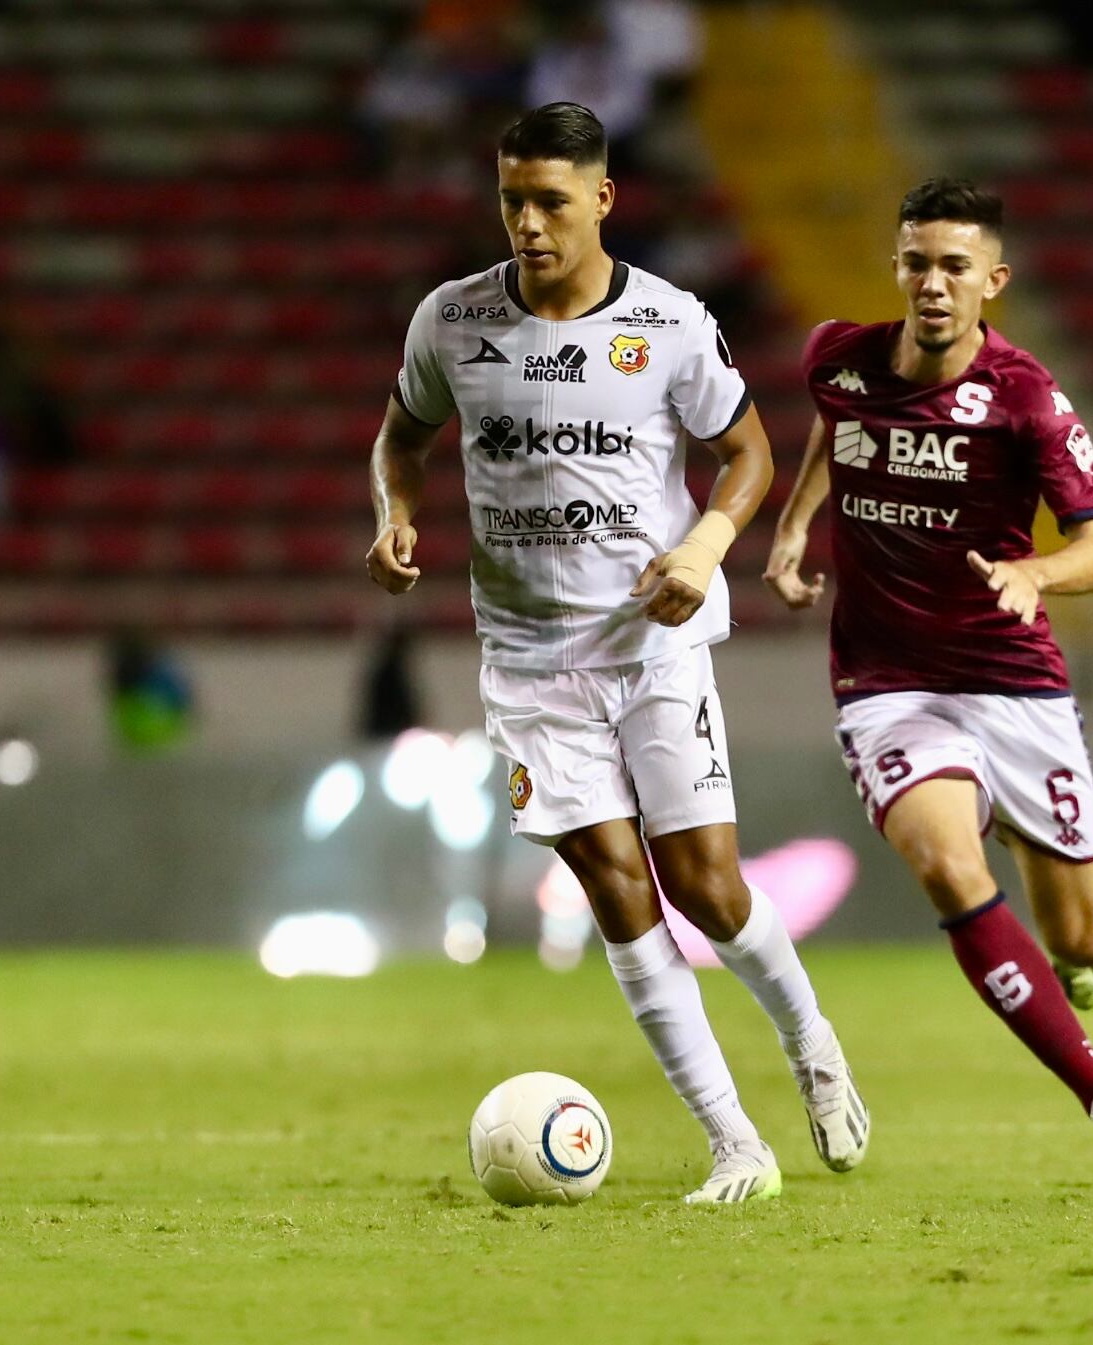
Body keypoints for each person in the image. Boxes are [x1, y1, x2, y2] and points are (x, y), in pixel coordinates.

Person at [363, 103, 867, 1203]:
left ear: (601, 198)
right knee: (616, 890)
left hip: (652, 644)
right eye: (511, 201)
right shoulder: (450, 322)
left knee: (706, 885)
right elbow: (400, 438)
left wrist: (704, 543)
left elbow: (745, 453)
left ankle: (811, 1043)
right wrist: (393, 515)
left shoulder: (671, 324)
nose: (529, 225)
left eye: (550, 201)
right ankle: (736, 1142)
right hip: (530, 665)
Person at [763, 178, 1093, 1175]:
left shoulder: (1026, 395)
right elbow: (831, 421)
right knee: (948, 864)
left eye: (954, 266)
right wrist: (790, 528)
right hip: (887, 684)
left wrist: (1036, 571)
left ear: (994, 278)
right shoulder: (840, 358)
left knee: (1078, 935)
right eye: (916, 263)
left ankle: (1073, 948)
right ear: (895, 268)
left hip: (1012, 681)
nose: (932, 284)